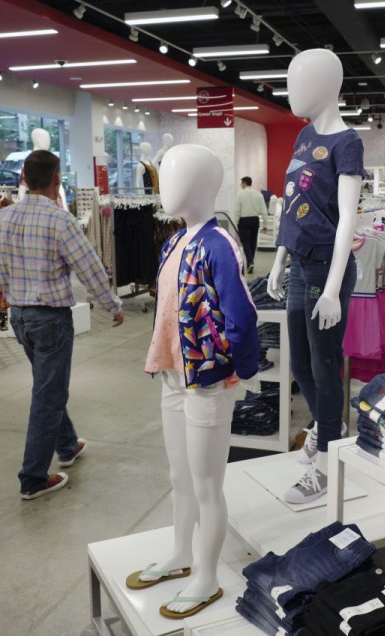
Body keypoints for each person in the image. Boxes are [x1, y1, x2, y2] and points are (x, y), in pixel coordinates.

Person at [127, 144, 259, 619]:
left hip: (206, 380)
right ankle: (182, 553)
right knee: (179, 476)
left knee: (207, 484)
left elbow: (241, 312)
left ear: (201, 186)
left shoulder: (219, 244)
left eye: (173, 176)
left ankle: (206, 574)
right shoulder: (174, 241)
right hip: (172, 375)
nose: (163, 186)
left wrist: (242, 370)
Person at [0, 150, 125, 500]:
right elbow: (89, 266)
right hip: (51, 319)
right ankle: (33, 478)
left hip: (19, 317)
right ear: (57, 180)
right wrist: (112, 304)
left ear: (23, 177)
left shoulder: (4, 218)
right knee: (47, 395)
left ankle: (67, 446)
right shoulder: (61, 220)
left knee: (47, 387)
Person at [267, 49, 363, 504]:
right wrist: (279, 258)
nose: (291, 89)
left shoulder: (348, 143)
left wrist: (332, 290)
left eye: (298, 80)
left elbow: (347, 219)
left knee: (325, 368)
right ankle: (329, 425)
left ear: (327, 85)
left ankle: (325, 466)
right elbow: (291, 204)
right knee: (300, 364)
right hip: (300, 265)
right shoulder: (304, 137)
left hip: (326, 268)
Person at [234, 176, 268, 274]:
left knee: (245, 242)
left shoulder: (240, 194)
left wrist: (236, 223)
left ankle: (250, 262)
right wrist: (265, 224)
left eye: (241, 183)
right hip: (255, 220)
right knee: (253, 242)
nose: (241, 185)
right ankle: (250, 262)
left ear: (244, 183)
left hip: (243, 220)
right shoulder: (258, 195)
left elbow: (237, 210)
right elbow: (264, 210)